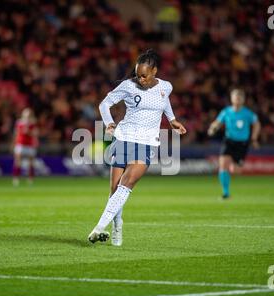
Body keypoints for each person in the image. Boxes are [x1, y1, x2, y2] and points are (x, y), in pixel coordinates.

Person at [88, 49, 187, 246]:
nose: (140, 79)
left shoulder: (166, 87)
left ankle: (98, 228)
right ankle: (117, 225)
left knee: (126, 184)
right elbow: (104, 104)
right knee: (114, 190)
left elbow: (164, 101)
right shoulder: (128, 86)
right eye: (137, 75)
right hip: (124, 137)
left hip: (147, 142)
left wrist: (173, 120)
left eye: (144, 75)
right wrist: (108, 123)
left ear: (154, 71)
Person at [207, 89, 261, 199]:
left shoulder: (247, 113)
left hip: (242, 144)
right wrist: (212, 128)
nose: (237, 99)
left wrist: (254, 138)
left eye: (240, 97)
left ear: (243, 100)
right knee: (222, 166)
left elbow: (257, 124)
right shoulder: (226, 111)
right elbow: (217, 122)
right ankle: (225, 193)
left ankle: (233, 167)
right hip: (228, 141)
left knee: (235, 170)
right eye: (236, 97)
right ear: (232, 99)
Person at [12, 108, 39, 186]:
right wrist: (14, 143)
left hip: (29, 145)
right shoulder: (19, 122)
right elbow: (16, 133)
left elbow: (35, 133)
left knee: (31, 163)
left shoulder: (33, 123)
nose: (27, 116)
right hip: (20, 144)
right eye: (26, 114)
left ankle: (30, 179)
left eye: (28, 114)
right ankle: (16, 179)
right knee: (17, 162)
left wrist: (29, 132)